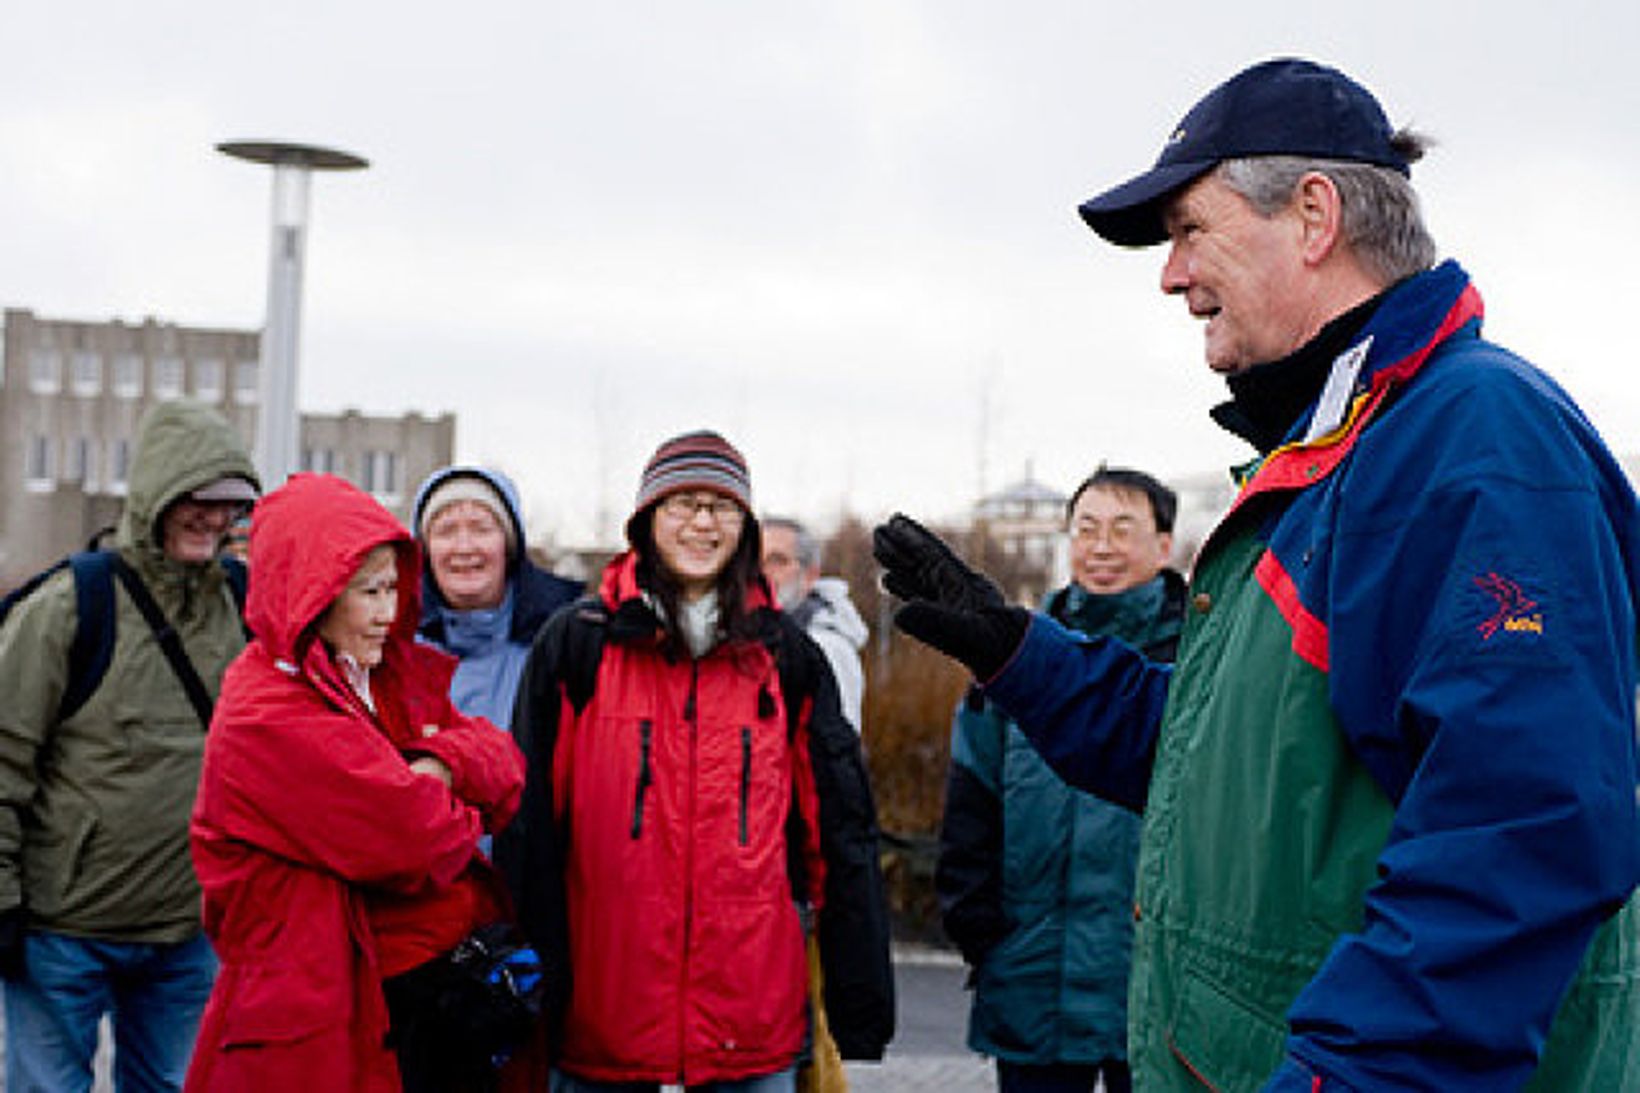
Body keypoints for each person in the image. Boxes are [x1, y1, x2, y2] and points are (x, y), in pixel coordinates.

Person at [874, 57, 1640, 1091]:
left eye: (1189, 227)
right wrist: (1020, 653)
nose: (1168, 272)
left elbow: (1520, 831)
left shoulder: (1472, 439)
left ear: (1313, 215)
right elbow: (1228, 772)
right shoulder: (1330, 457)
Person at [497, 429, 894, 1091]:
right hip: (603, 1019)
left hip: (750, 1025)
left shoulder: (788, 659)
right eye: (683, 502)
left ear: (745, 525)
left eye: (722, 505)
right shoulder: (577, 645)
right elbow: (528, 827)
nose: (703, 522)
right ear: (646, 517)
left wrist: (858, 995)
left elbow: (839, 834)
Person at [186, 472, 528, 1092]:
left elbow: (505, 764)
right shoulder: (266, 712)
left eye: (395, 588)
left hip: (417, 1001)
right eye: (369, 592)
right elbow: (415, 842)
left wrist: (440, 766)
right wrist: (459, 802)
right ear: (313, 596)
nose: (387, 613)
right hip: (320, 1017)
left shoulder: (379, 674)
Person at [0, 399, 259, 1093]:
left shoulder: (241, 606)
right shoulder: (69, 605)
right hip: (62, 931)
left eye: (230, 501)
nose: (213, 516)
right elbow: (2, 759)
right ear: (156, 495)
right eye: (197, 498)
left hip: (187, 930)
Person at [937, 467, 1185, 1093]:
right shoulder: (1009, 659)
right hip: (1033, 969)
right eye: (1086, 529)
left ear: (1164, 546)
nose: (1101, 547)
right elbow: (971, 804)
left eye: (1122, 530)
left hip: (1161, 982)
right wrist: (978, 927)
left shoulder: (1200, 659)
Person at [412, 465, 582, 736]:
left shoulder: (564, 643)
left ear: (509, 545)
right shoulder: (387, 649)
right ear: (425, 550)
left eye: (481, 529)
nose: (464, 547)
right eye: (446, 531)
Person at [761, 516, 868, 732]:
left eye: (777, 560)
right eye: (754, 561)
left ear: (810, 574)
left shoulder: (827, 647)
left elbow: (835, 750)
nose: (762, 572)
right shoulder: (757, 636)